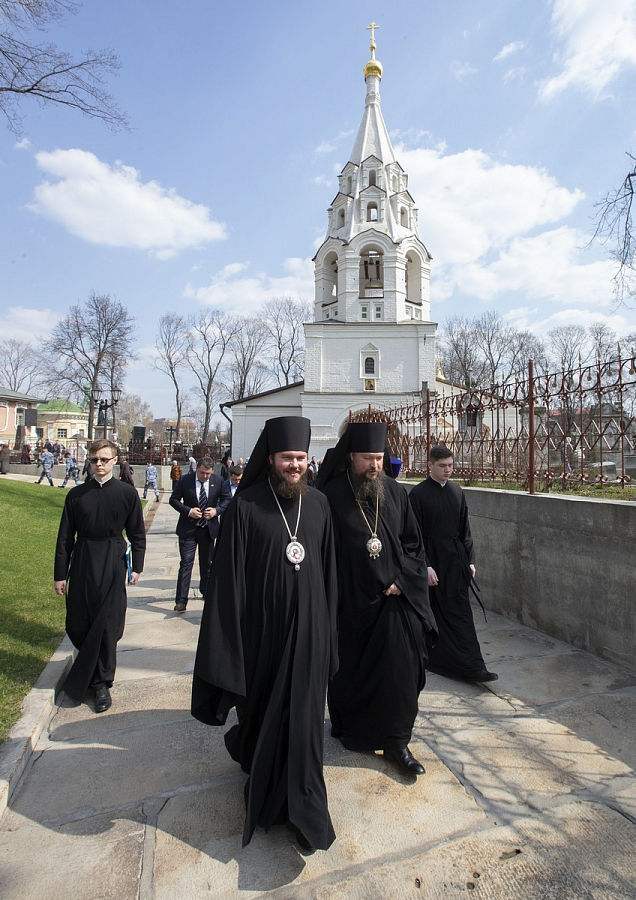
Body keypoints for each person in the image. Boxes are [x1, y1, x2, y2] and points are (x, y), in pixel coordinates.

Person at [191, 416, 338, 852]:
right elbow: (228, 581)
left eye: (300, 458)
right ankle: (261, 773)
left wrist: (329, 634)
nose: (295, 465)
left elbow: (329, 575)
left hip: (310, 636)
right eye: (287, 458)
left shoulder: (319, 505)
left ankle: (305, 813)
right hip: (261, 638)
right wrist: (229, 645)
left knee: (305, 724)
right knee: (262, 716)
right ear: (270, 459)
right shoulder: (247, 507)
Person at [319, 421, 436, 777]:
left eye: (380, 458)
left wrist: (402, 580)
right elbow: (321, 549)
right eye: (367, 458)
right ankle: (351, 729)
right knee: (349, 675)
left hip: (394, 605)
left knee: (402, 673)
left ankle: (397, 742)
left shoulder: (396, 493)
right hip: (350, 606)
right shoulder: (330, 496)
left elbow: (414, 544)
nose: (374, 465)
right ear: (351, 457)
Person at [54, 439, 146, 713]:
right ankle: (89, 673)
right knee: (79, 621)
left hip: (112, 560)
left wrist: (137, 567)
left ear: (115, 461)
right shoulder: (77, 495)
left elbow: (137, 533)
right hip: (83, 559)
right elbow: (65, 538)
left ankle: (102, 684)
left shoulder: (127, 494)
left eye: (104, 459)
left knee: (107, 624)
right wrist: (60, 574)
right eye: (94, 460)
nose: (99, 464)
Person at [409, 446, 498, 684]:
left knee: (461, 613)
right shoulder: (417, 495)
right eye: (442, 466)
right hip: (432, 562)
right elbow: (413, 535)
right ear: (430, 465)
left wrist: (470, 560)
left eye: (450, 465)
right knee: (435, 613)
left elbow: (464, 530)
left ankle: (473, 665)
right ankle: (437, 659)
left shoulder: (457, 491)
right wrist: (425, 566)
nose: (448, 470)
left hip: (455, 561)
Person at [169, 456, 231, 612]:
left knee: (208, 563)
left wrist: (216, 511)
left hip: (208, 529)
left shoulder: (218, 481)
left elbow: (227, 500)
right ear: (197, 469)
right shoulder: (185, 480)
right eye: (202, 473)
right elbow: (173, 500)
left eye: (208, 473)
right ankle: (181, 600)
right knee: (186, 563)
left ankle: (206, 592)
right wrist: (188, 511)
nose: (205, 476)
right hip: (188, 529)